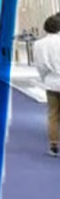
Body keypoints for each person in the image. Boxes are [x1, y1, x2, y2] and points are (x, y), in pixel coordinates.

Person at [32, 14, 60, 157]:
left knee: (53, 114)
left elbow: (39, 65)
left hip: (51, 82)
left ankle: (54, 146)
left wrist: (44, 78)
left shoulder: (39, 44)